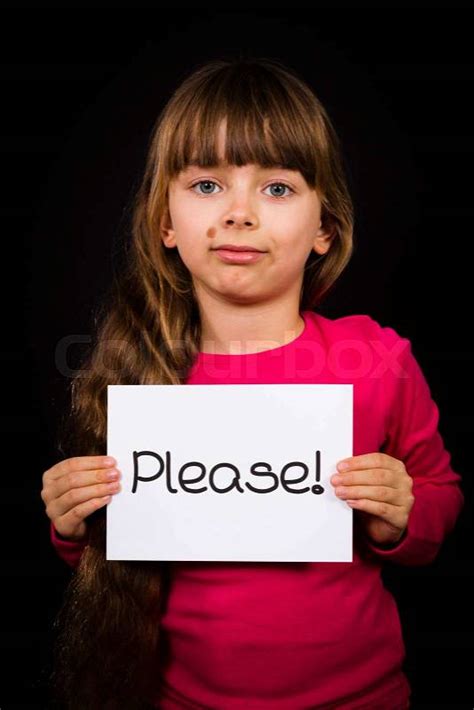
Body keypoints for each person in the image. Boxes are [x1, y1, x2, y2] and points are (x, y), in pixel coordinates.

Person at [41, 56, 465, 710]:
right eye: (207, 185)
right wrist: (75, 522)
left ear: (325, 227)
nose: (239, 213)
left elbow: (439, 494)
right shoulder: (135, 368)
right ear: (165, 223)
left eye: (277, 188)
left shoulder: (376, 359)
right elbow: (115, 565)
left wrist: (405, 514)